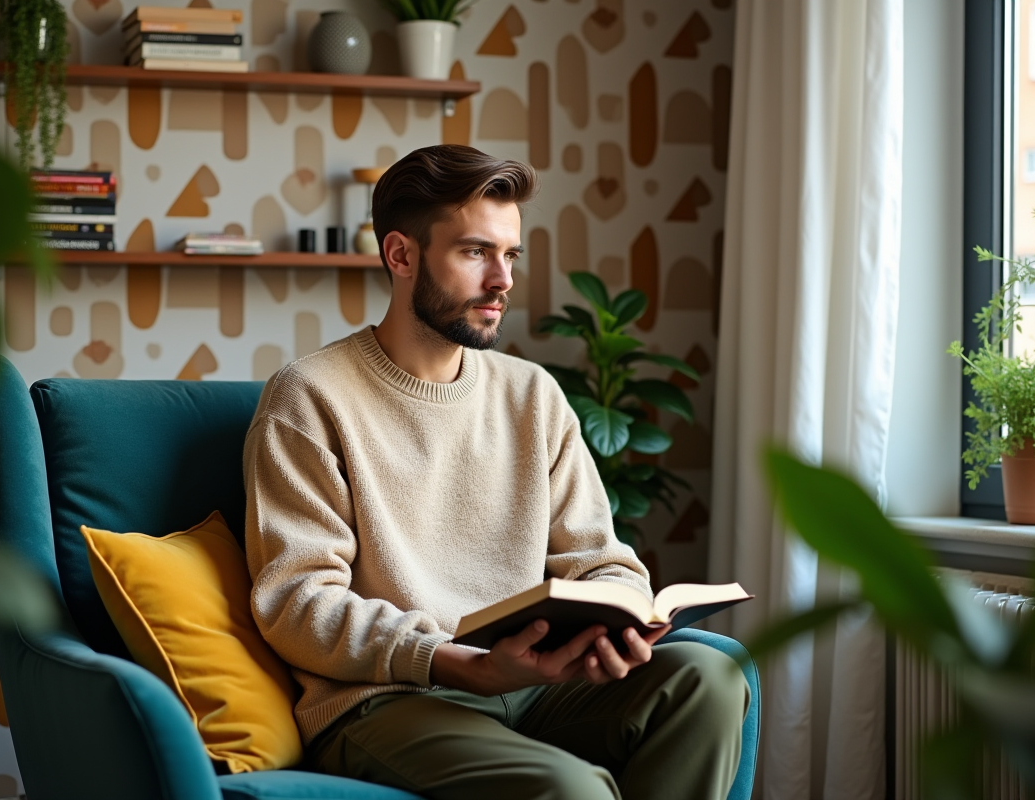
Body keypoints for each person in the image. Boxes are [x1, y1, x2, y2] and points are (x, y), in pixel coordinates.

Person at [243, 144, 748, 800]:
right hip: (390, 698)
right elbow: (297, 601)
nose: (503, 279)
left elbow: (600, 559)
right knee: (572, 790)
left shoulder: (532, 394)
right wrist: (455, 661)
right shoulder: (309, 396)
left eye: (510, 255)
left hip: (535, 686)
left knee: (708, 680)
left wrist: (619, 620)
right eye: (476, 252)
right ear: (401, 255)